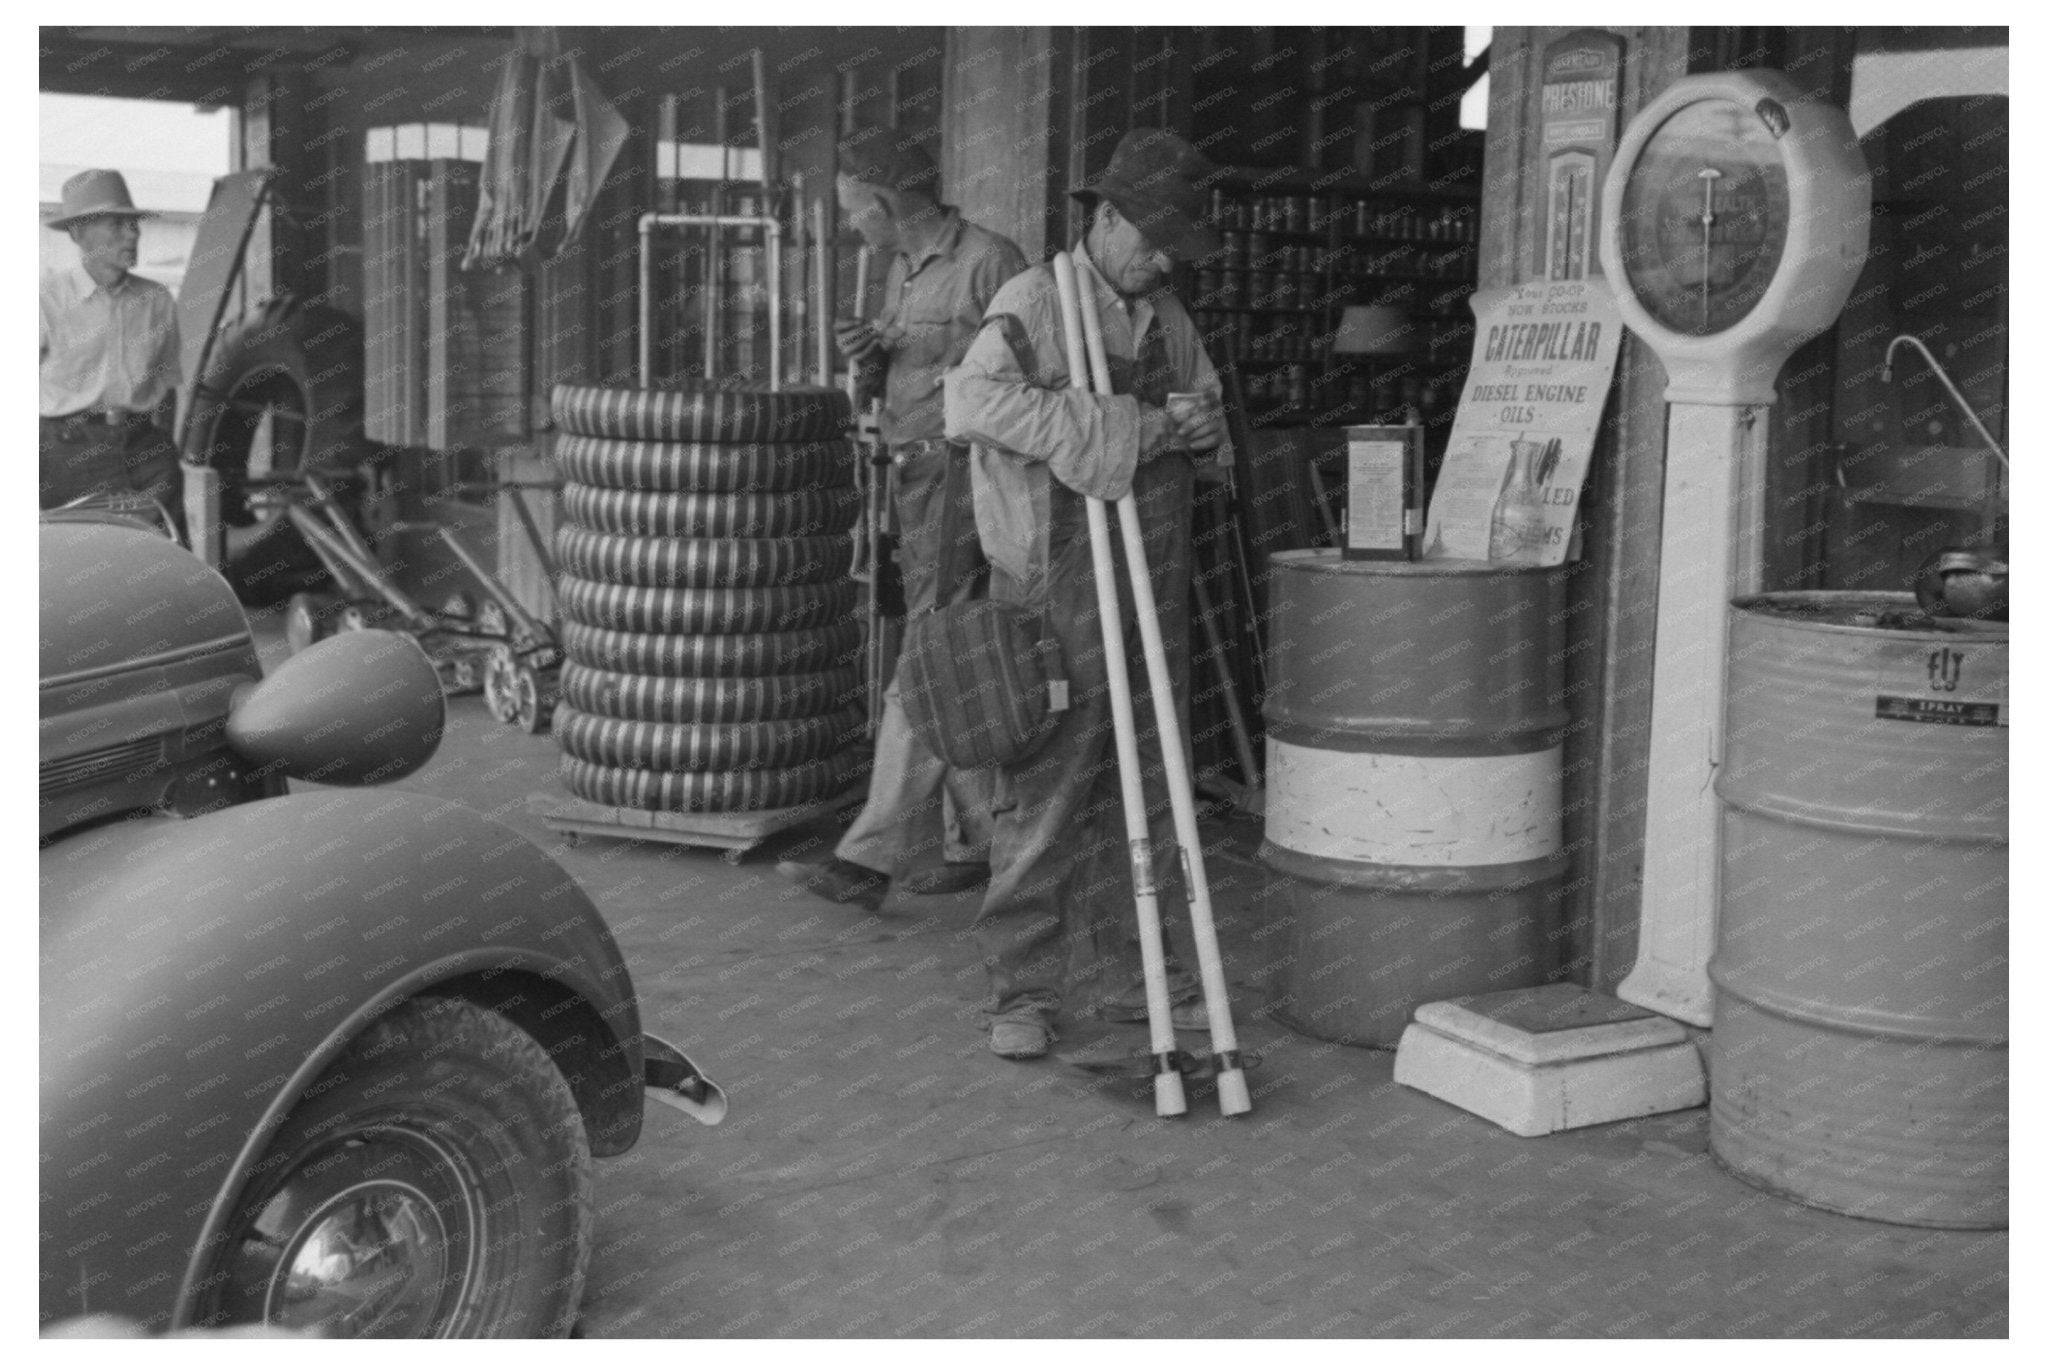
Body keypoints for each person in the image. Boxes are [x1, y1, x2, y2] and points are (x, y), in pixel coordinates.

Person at [943, 128, 1231, 1059]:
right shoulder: (1035, 299)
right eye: (1149, 239)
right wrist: (1126, 426)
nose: (1159, 260)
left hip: (1153, 572)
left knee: (1150, 782)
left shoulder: (1169, 316)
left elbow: (1208, 414)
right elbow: (971, 405)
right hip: (1050, 585)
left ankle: (1146, 974)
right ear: (1105, 218)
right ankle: (1020, 993)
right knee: (1050, 786)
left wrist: (1192, 423)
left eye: (1173, 248)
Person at [777, 126, 1028, 911]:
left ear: (886, 204)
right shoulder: (904, 269)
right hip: (913, 476)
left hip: (962, 474)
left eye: (856, 210)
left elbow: (1024, 379)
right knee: (951, 645)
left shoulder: (991, 261)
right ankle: (982, 839)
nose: (854, 226)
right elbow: (910, 368)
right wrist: (872, 357)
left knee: (930, 649)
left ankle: (871, 854)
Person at [40, 169, 184, 524]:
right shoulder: (45, 300)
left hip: (145, 450)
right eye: (117, 225)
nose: (133, 234)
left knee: (164, 560)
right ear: (78, 233)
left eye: (134, 224)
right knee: (81, 563)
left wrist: (162, 446)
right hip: (67, 454)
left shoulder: (156, 299)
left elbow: (168, 384)